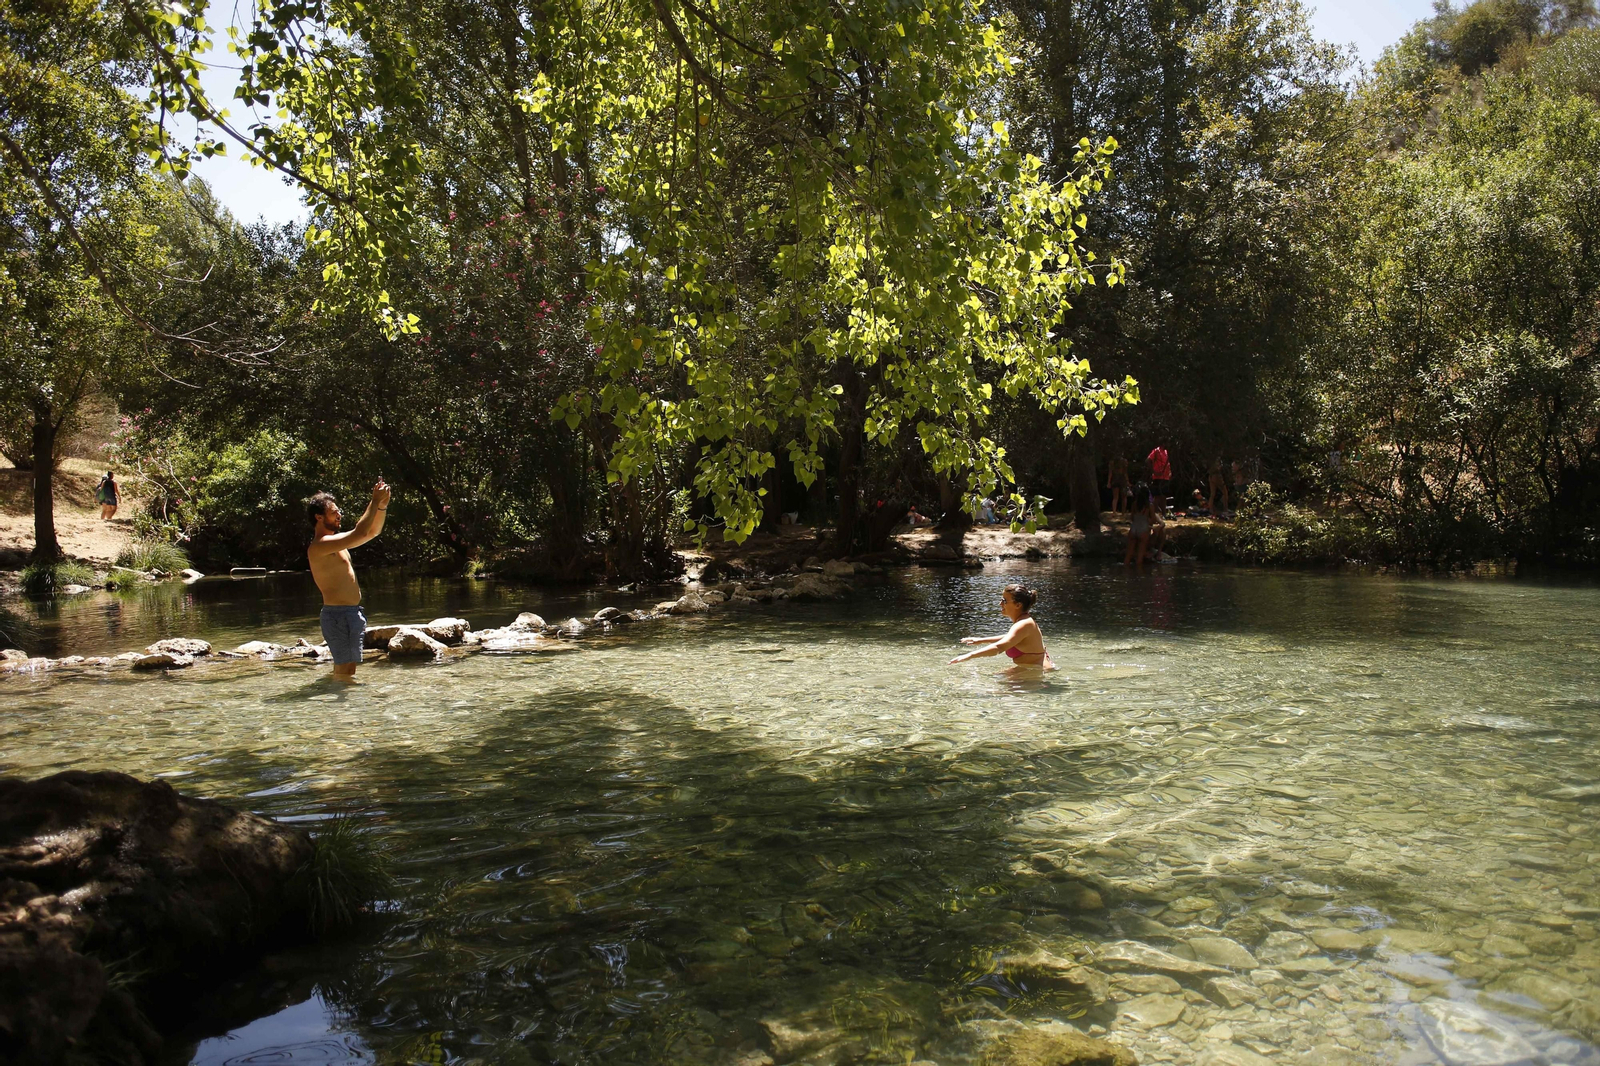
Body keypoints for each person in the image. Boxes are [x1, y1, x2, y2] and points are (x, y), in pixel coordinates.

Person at [306, 479, 391, 681]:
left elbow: (372, 532)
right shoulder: (320, 546)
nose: (339, 514)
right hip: (337, 616)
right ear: (319, 517)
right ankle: (341, 708)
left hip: (352, 613)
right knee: (345, 672)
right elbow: (360, 531)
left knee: (348, 670)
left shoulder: (337, 543)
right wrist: (373, 500)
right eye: (334, 512)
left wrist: (381, 506)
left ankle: (341, 704)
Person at [949, 583, 1055, 670]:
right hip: (1030, 668)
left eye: (1004, 600)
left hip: (1037, 671)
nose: (1000, 603)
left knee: (996, 691)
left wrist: (968, 655)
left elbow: (998, 648)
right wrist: (980, 640)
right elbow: (1012, 637)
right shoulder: (1023, 622)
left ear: (1018, 605)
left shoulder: (1024, 624)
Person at [1124, 482, 1165, 570]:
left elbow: (1132, 518)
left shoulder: (1134, 504)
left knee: (1127, 558)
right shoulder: (1149, 506)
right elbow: (1154, 520)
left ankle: (1125, 574)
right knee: (1139, 559)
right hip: (1143, 530)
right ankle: (1140, 578)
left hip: (1133, 529)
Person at [1146, 444, 1171, 513]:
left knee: (1163, 496)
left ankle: (1164, 513)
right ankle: (1154, 513)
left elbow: (1167, 463)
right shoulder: (1156, 451)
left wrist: (1169, 472)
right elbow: (1148, 460)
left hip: (1165, 477)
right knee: (1157, 496)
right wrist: (1154, 472)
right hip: (1157, 477)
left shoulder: (1166, 452)